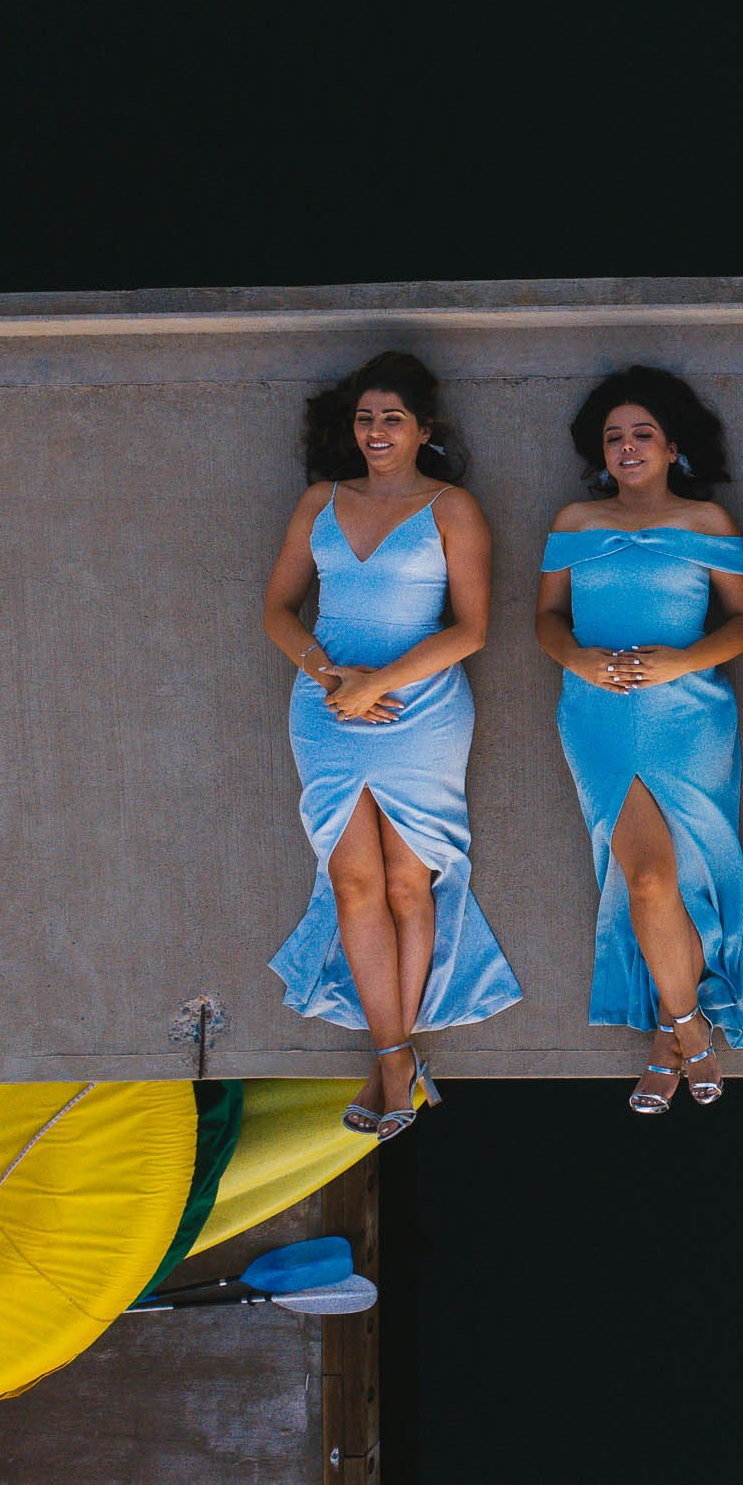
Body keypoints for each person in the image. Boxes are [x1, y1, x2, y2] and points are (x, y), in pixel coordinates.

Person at [536, 366, 743, 1114]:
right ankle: (688, 1027)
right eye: (615, 437)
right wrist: (580, 659)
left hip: (689, 716)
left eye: (642, 434)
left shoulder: (708, 523)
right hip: (594, 716)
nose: (627, 447)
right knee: (649, 879)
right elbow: (547, 620)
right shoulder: (575, 520)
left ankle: (670, 1028)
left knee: (675, 881)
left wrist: (679, 660)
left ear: (672, 447)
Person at [261, 352, 518, 1141]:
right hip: (329, 704)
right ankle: (396, 1055)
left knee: (410, 884)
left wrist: (381, 683)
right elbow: (277, 609)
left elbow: (471, 628)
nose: (377, 431)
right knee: (352, 884)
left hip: (422, 703)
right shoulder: (320, 501)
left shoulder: (453, 507)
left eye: (393, 419)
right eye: (367, 418)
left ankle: (391, 1063)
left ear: (422, 430)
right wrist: (332, 675)